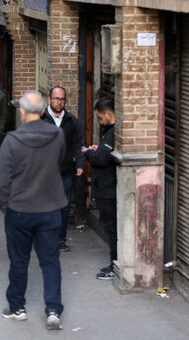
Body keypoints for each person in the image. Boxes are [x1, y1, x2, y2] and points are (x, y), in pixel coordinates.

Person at [0, 91, 66, 330]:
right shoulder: (57, 135)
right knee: (50, 261)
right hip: (51, 207)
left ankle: (17, 307)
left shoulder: (12, 140)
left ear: (22, 112)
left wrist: (2, 204)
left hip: (20, 209)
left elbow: (2, 177)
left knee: (19, 260)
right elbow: (60, 161)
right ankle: (53, 309)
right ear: (44, 110)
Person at [42, 86, 85, 252]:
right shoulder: (41, 118)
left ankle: (60, 239)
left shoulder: (71, 121)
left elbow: (77, 145)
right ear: (49, 99)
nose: (59, 102)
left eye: (62, 99)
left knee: (63, 206)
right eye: (56, 99)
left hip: (66, 171)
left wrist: (80, 164)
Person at [82, 96, 117, 280]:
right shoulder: (112, 133)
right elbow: (105, 152)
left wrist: (89, 152)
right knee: (111, 229)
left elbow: (101, 158)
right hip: (107, 188)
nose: (100, 122)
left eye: (101, 118)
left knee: (112, 230)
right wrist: (98, 149)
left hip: (108, 190)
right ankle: (114, 264)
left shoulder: (113, 133)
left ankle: (115, 266)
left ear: (109, 114)